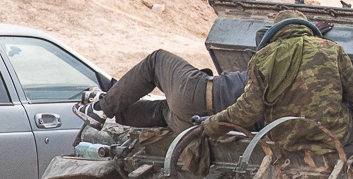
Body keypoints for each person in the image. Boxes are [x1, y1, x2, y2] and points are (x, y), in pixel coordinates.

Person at [201, 16, 353, 151]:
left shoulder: (261, 59)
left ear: (275, 34)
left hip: (286, 140)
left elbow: (247, 110)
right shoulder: (331, 49)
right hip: (332, 136)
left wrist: (210, 125)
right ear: (306, 28)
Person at [99, 50, 249, 133]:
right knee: (163, 110)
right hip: (196, 126)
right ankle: (113, 116)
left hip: (199, 95)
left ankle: (102, 109)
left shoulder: (267, 68)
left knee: (156, 60)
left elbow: (263, 34)